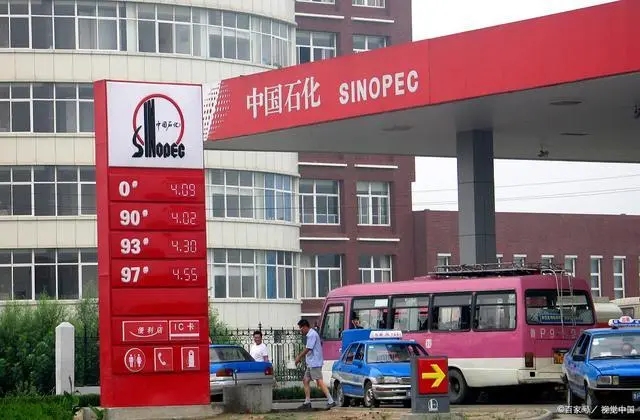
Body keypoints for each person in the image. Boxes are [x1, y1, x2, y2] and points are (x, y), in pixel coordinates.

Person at [294, 319, 335, 410]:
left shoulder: (312, 335)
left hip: (315, 363)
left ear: (305, 327)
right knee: (305, 380)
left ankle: (331, 400)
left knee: (319, 381)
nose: (301, 331)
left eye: (301, 328)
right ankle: (307, 402)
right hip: (311, 363)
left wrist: (299, 357)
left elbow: (308, 348)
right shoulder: (310, 334)